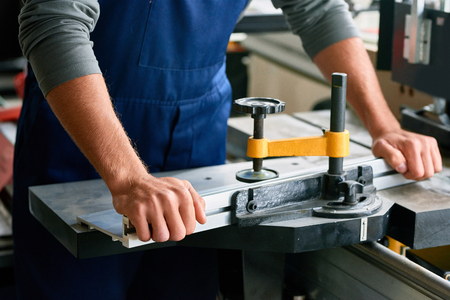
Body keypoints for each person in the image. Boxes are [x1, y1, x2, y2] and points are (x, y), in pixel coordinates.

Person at [14, 0, 441, 299]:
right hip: (83, 140)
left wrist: (385, 127)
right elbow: (54, 23)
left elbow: (317, 9)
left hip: (197, 138)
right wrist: (127, 177)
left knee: (182, 290)